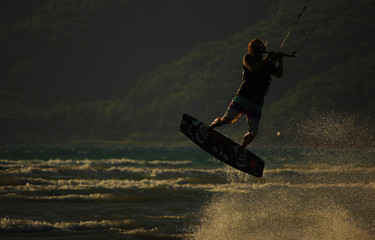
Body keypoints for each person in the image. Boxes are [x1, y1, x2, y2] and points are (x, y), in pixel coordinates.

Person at [208, 38, 284, 153]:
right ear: (252, 49)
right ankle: (209, 128)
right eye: (257, 48)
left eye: (261, 48)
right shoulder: (247, 58)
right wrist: (267, 58)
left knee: (253, 132)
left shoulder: (267, 64)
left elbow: (279, 74)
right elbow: (253, 69)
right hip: (243, 97)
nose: (260, 50)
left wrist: (280, 60)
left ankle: (241, 148)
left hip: (257, 102)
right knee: (227, 119)